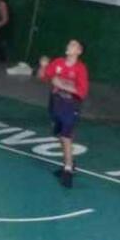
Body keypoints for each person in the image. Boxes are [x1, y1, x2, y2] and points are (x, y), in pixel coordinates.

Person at [38, 40, 89, 188]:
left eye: (73, 45)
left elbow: (82, 92)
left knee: (66, 136)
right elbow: (42, 77)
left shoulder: (80, 69)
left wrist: (62, 85)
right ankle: (70, 163)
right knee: (60, 135)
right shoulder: (58, 62)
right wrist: (43, 66)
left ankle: (67, 170)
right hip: (55, 103)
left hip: (71, 105)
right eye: (69, 44)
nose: (69, 45)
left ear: (79, 51)